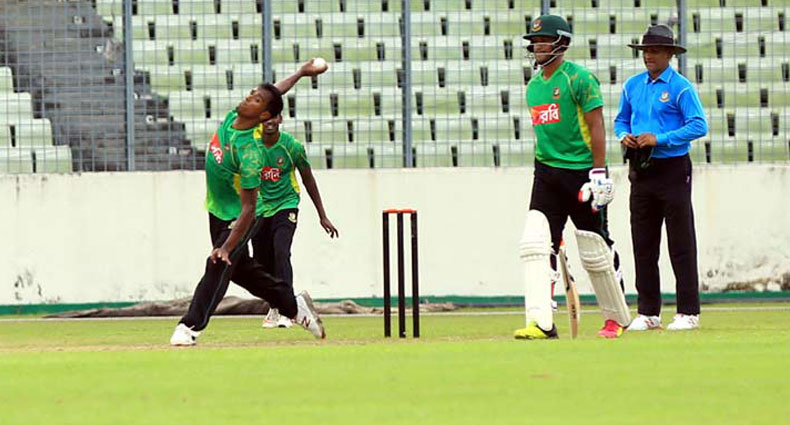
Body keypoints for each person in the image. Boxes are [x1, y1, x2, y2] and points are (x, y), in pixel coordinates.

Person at [170, 61, 330, 346]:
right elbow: (274, 92)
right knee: (244, 272)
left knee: (218, 263)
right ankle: (292, 306)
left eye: (256, 100)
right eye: (252, 94)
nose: (249, 98)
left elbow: (249, 208)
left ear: (264, 115)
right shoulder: (234, 116)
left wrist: (227, 246)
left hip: (239, 218)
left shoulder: (249, 153)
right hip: (217, 211)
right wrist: (301, 73)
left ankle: (190, 326)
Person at [514, 15, 631, 340]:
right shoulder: (534, 86)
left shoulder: (579, 79)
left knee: (596, 245)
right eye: (534, 42)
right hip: (546, 172)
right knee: (538, 244)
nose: (538, 46)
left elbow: (596, 125)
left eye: (544, 40)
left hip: (582, 172)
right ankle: (541, 322)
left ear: (562, 43)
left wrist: (598, 171)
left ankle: (616, 318)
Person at [614, 25, 708, 331]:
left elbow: (698, 125)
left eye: (654, 51)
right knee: (643, 242)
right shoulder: (632, 86)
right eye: (645, 51)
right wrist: (624, 135)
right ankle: (648, 312)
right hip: (641, 169)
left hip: (673, 169)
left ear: (669, 54)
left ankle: (688, 312)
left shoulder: (681, 88)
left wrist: (661, 138)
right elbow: (620, 120)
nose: (648, 56)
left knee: (680, 241)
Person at [255, 112, 339, 329]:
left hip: (286, 204)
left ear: (280, 119)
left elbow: (308, 179)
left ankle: (287, 309)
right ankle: (274, 306)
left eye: (273, 117)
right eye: (265, 118)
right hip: (260, 208)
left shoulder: (292, 147)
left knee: (281, 252)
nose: (269, 122)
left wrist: (322, 215)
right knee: (261, 261)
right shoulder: (251, 146)